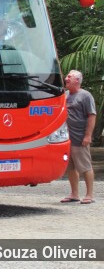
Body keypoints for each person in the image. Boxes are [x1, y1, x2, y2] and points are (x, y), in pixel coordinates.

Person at [60, 70, 97, 204]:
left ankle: (89, 195)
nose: (66, 78)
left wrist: (88, 136)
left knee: (85, 166)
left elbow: (92, 116)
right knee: (70, 167)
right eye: (67, 76)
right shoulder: (65, 95)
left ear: (77, 80)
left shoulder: (85, 96)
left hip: (80, 138)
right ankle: (74, 194)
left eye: (70, 76)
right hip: (66, 138)